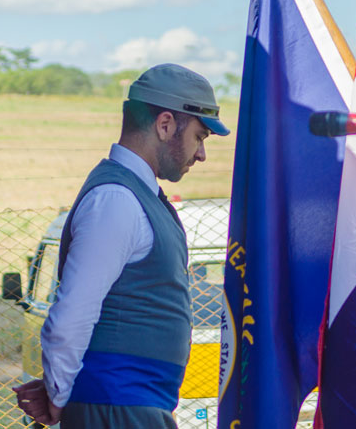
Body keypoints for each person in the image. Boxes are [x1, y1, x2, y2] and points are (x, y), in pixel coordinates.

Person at [14, 63, 230, 428]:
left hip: (125, 407)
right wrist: (62, 398)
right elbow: (70, 319)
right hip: (118, 411)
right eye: (199, 136)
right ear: (165, 125)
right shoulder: (116, 200)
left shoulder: (133, 195)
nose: (202, 154)